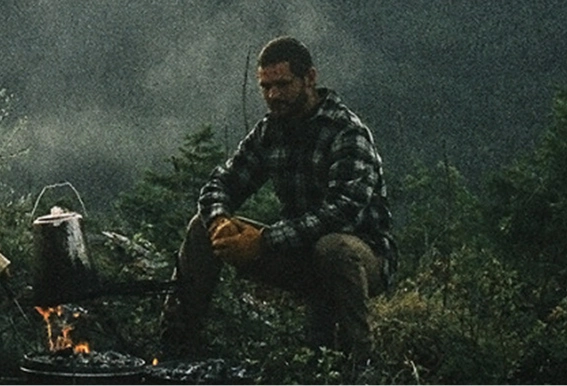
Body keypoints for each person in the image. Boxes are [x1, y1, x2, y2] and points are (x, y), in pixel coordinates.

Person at [161, 36, 396, 358]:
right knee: (202, 228)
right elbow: (222, 183)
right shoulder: (270, 131)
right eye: (265, 87)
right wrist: (219, 220)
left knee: (334, 248)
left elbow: (343, 212)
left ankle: (360, 363)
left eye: (283, 85)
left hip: (362, 256)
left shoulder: (346, 132)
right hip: (297, 250)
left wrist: (265, 241)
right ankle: (173, 350)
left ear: (309, 78)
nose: (273, 96)